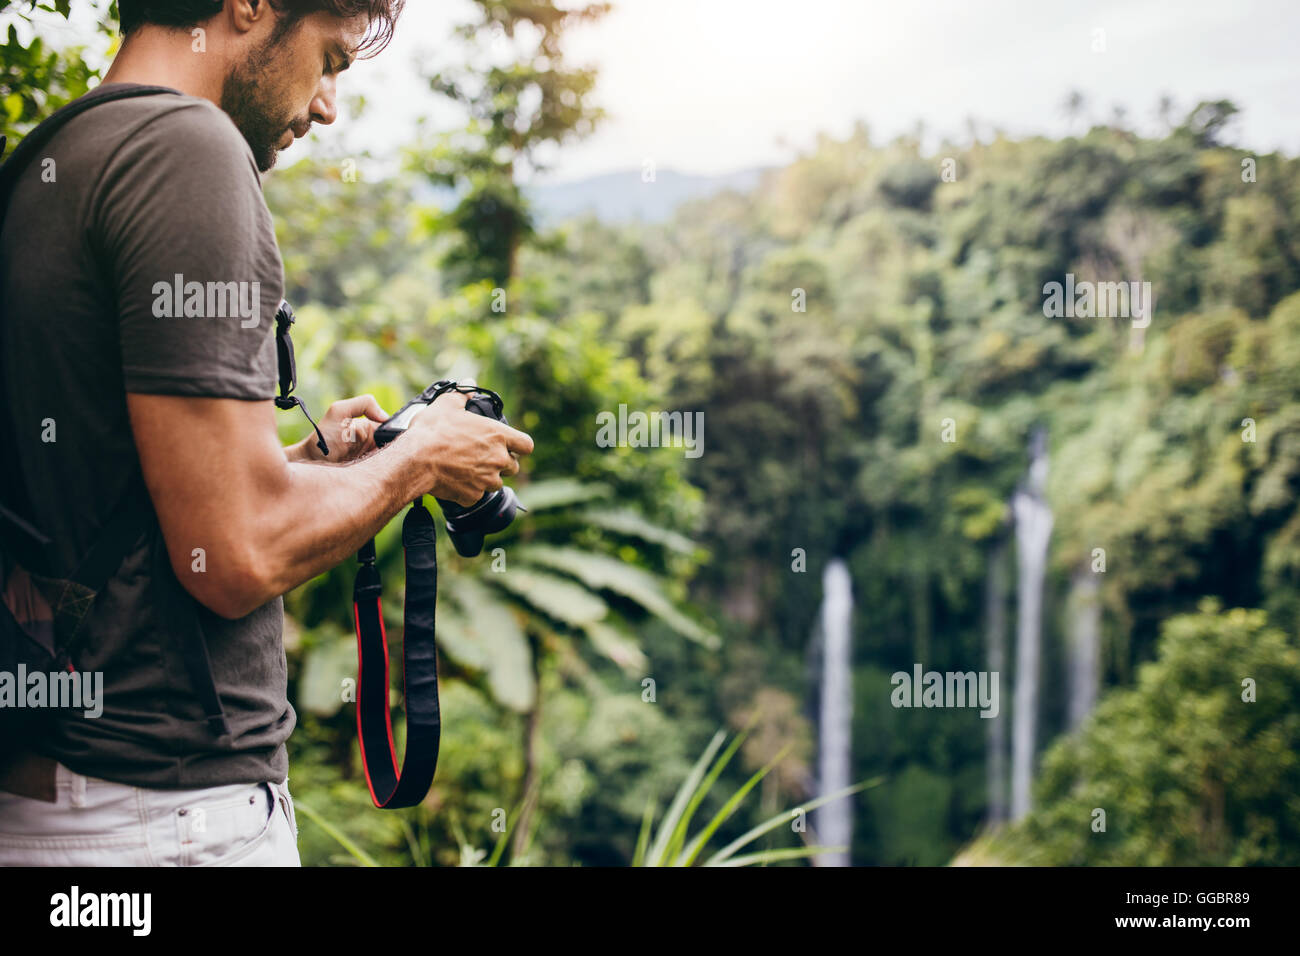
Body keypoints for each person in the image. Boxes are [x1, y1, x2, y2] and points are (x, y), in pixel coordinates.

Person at [0, 0, 533, 866]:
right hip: (164, 816)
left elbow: (116, 499)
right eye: (330, 61)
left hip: (60, 797)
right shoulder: (188, 150)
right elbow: (237, 557)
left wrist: (302, 467)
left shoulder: (52, 158)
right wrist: (423, 459)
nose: (326, 105)